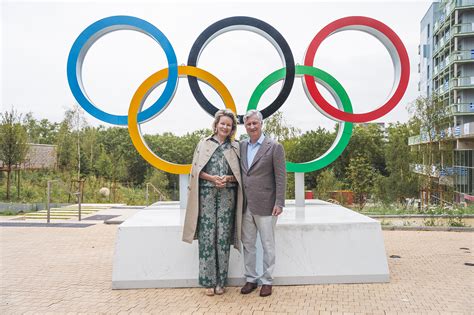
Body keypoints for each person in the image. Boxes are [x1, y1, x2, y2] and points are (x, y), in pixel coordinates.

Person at [182, 109, 243, 296]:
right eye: (222, 123)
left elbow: (241, 175)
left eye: (229, 125)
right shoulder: (204, 144)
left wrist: (227, 179)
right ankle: (208, 281)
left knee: (223, 238)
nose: (225, 127)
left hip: (228, 196)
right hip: (206, 195)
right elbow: (195, 170)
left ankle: (221, 282)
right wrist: (212, 178)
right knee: (207, 237)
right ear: (216, 125)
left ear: (232, 129)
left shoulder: (236, 147)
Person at [239, 109, 286, 297]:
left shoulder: (274, 147)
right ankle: (251, 279)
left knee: (267, 244)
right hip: (245, 204)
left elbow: (281, 177)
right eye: (248, 124)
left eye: (254, 123)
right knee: (248, 244)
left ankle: (267, 281)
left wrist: (279, 202)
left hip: (267, 204)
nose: (252, 127)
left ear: (261, 124)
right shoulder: (241, 146)